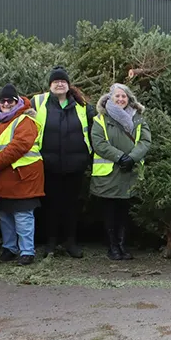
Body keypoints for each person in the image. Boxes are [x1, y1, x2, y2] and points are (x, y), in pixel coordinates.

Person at [0, 84, 45, 266]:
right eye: (3, 101)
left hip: (23, 177)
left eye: (10, 100)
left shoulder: (25, 120)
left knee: (22, 215)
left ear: (17, 101)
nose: (6, 103)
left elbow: (18, 146)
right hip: (0, 179)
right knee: (4, 213)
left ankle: (27, 251)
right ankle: (9, 248)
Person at [32, 66, 96, 258]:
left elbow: (94, 129)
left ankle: (71, 243)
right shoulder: (39, 103)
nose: (59, 84)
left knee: (72, 206)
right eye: (55, 81)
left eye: (63, 81)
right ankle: (50, 243)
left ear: (68, 85)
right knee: (50, 206)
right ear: (50, 85)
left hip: (75, 166)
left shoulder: (82, 106)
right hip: (48, 165)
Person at [90, 83, 152, 260]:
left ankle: (123, 245)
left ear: (129, 99)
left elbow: (145, 142)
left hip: (130, 172)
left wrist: (132, 157)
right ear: (110, 98)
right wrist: (120, 157)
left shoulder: (138, 118)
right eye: (117, 96)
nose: (120, 99)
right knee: (110, 211)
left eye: (124, 96)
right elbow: (99, 143)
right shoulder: (100, 119)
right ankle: (112, 247)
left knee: (125, 211)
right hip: (109, 174)